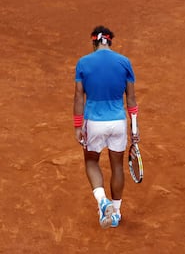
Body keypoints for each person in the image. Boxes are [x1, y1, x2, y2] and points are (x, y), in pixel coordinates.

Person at [73, 25, 139, 229]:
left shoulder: (83, 63)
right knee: (117, 166)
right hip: (118, 122)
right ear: (109, 41)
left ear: (94, 42)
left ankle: (102, 201)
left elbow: (78, 96)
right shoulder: (124, 62)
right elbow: (131, 98)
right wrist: (134, 128)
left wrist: (77, 126)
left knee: (91, 162)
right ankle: (116, 213)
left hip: (94, 122)